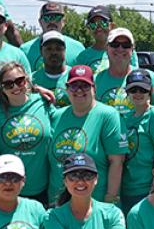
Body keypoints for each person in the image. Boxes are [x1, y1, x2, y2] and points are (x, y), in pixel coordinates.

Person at [47, 65, 126, 205]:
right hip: (58, 202)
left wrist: (111, 198)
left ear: (94, 89)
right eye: (74, 86)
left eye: (84, 85)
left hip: (95, 202)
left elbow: (117, 161)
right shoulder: (57, 116)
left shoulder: (108, 115)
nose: (79, 90)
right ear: (67, 89)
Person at [0, 62, 52, 204]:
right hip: (7, 188)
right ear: (1, 88)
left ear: (27, 80)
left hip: (41, 187)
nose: (15, 87)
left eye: (20, 81)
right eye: (8, 84)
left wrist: (36, 89)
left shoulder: (43, 102)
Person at [120, 71, 154, 213]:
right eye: (133, 90)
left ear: (151, 91)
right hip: (127, 188)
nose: (138, 93)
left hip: (148, 188)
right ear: (127, 92)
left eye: (143, 89)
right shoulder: (125, 118)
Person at [95, 28, 154, 119]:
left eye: (126, 45)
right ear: (106, 48)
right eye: (115, 44)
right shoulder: (96, 79)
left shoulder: (148, 76)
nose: (120, 49)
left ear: (132, 49)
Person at [19, 2, 84, 71]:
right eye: (47, 18)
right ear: (40, 22)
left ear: (64, 21)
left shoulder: (78, 48)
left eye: (57, 18)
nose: (52, 22)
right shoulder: (25, 50)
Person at [74, 6, 138, 73]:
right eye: (93, 25)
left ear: (112, 26)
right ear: (89, 28)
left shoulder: (126, 51)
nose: (98, 28)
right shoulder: (83, 57)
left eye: (103, 23)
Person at [31, 31, 71, 108]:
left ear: (65, 51)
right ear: (41, 52)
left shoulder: (75, 76)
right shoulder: (31, 80)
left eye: (58, 48)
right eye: (49, 49)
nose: (54, 52)